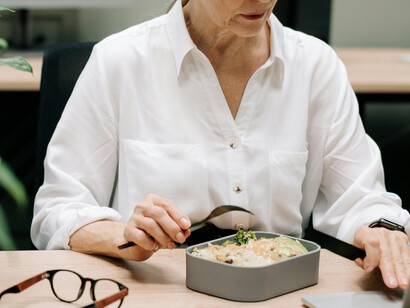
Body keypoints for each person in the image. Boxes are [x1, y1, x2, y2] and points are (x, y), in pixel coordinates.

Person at [32, 0, 410, 289]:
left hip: (279, 291)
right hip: (161, 293)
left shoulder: (315, 65)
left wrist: (379, 230)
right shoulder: (120, 62)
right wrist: (123, 235)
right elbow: (57, 210)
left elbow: (360, 198)